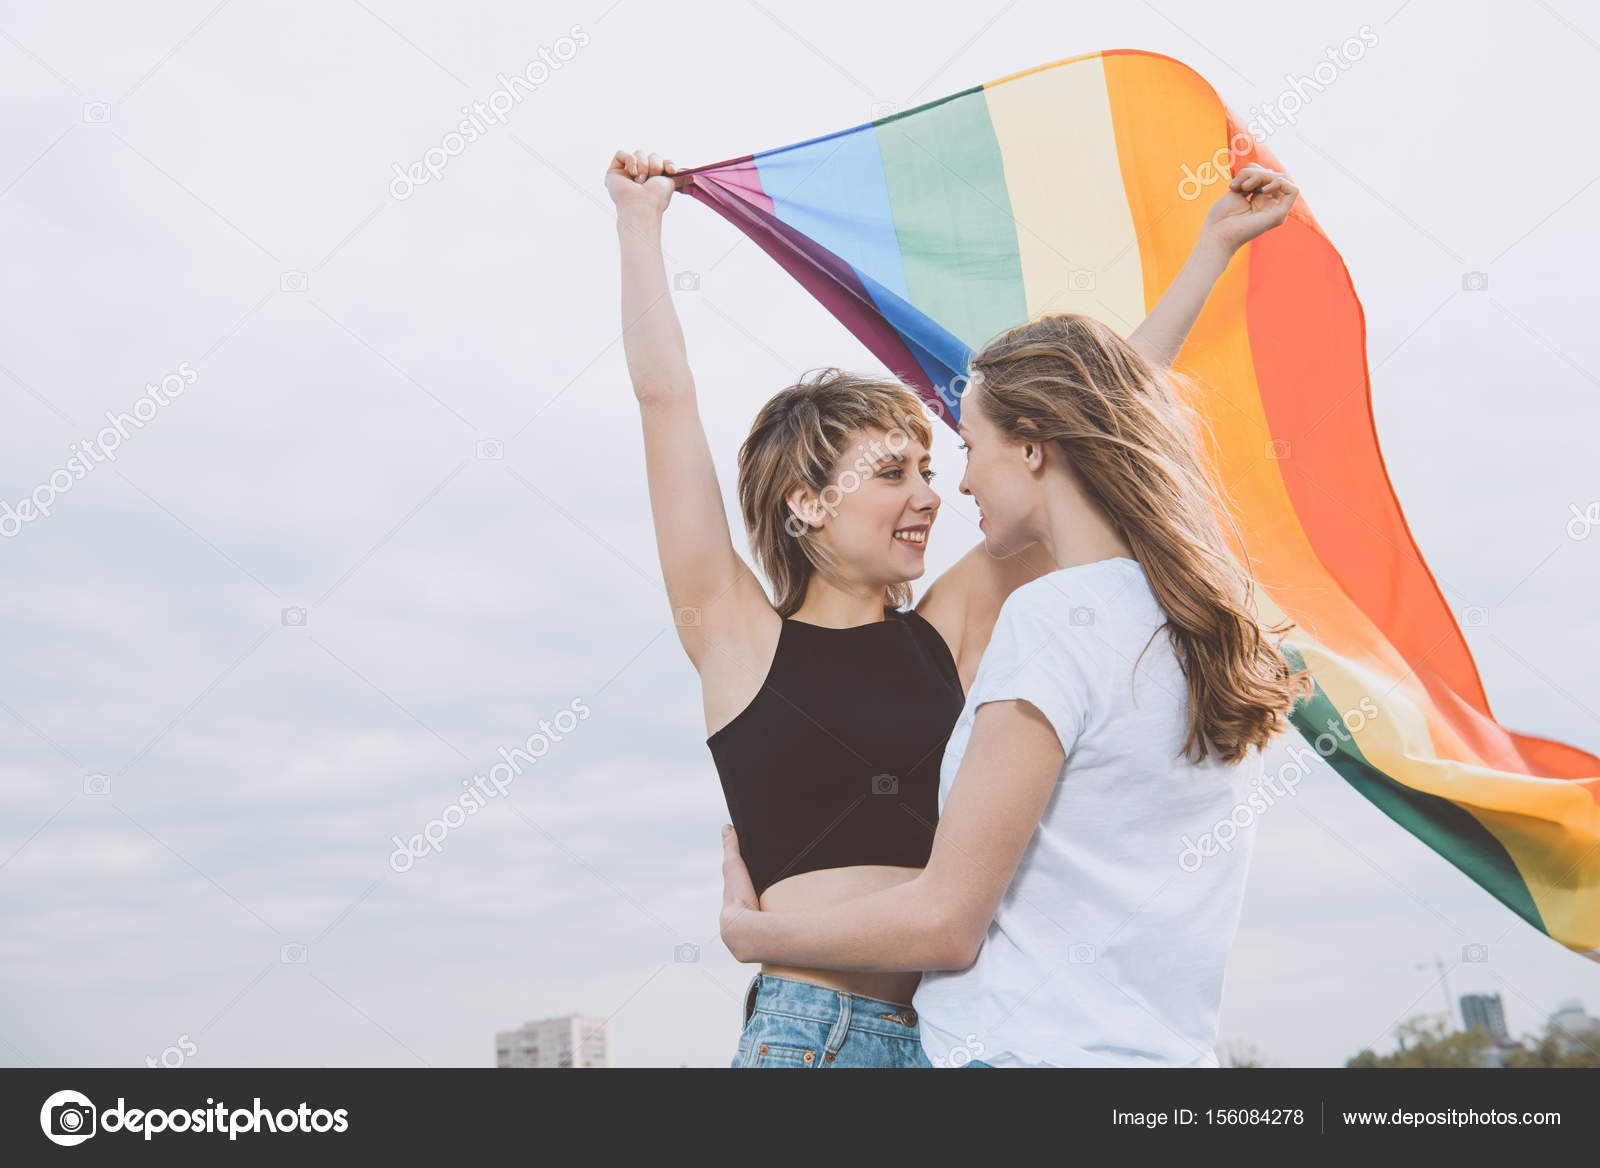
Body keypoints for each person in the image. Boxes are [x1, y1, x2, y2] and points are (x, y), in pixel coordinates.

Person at [605, 146, 1300, 1067]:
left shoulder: (952, 625)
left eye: (933, 468)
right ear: (807, 501)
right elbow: (664, 402)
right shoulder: (734, 635)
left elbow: (1089, 422)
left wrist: (1211, 251)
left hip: (950, 1038)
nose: (932, 495)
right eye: (893, 473)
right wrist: (639, 224)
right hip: (813, 1035)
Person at [718, 308, 1314, 1067]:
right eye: (899, 472)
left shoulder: (1051, 620)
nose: (956, 485)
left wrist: (756, 933)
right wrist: (1212, 257)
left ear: (1033, 446)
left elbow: (947, 921)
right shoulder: (1197, 630)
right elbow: (1098, 406)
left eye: (965, 451)